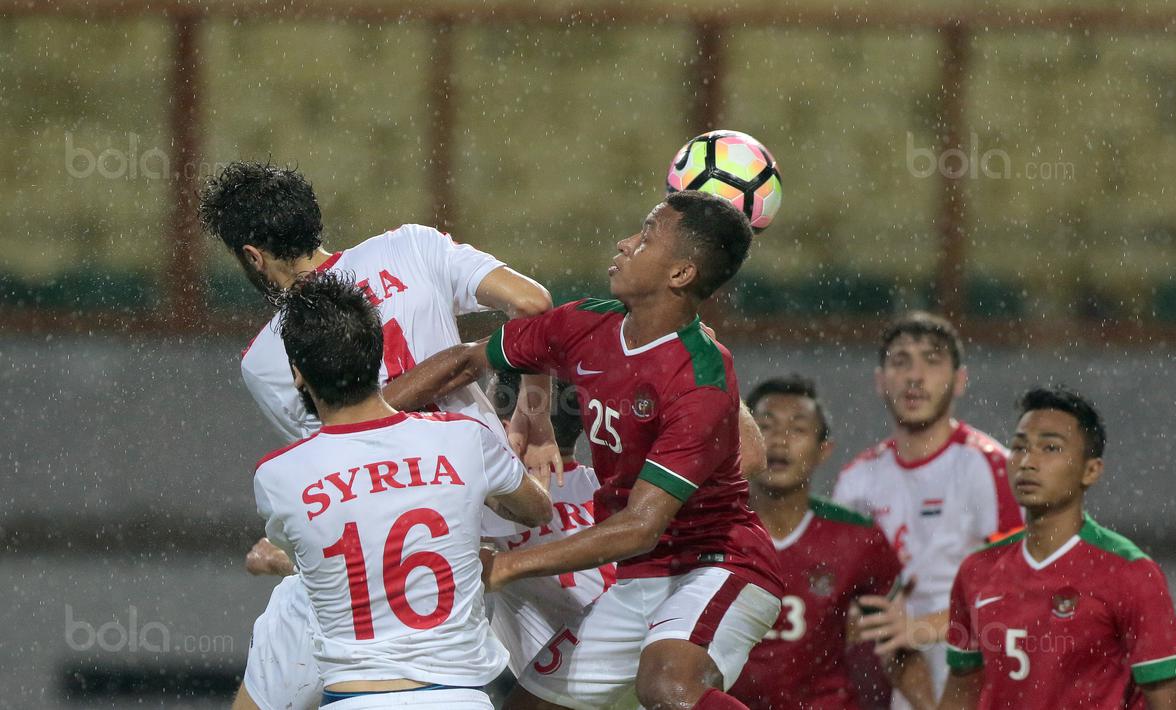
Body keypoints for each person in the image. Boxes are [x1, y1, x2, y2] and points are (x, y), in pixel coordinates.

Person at [384, 190, 784, 710]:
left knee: (667, 689)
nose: (625, 243)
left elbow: (642, 524)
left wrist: (506, 567)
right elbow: (465, 359)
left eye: (645, 236)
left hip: (715, 563)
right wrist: (365, 420)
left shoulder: (700, 380)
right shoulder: (587, 324)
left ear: (681, 275)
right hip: (640, 573)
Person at [198, 161, 556, 710]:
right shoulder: (410, 246)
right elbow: (533, 304)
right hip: (503, 515)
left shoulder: (268, 356)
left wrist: (281, 555)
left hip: (402, 557)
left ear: (252, 255)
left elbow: (345, 454)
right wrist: (534, 411)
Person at [253, 272, 553, 709]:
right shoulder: (464, 439)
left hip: (353, 700)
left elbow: (313, 552)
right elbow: (536, 511)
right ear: (378, 354)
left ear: (298, 374)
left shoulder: (278, 475)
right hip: (458, 701)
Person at [939, 387, 1176, 710]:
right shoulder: (976, 570)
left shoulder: (1131, 573)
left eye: (1050, 448)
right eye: (1020, 447)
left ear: (1091, 470)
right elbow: (960, 695)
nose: (1028, 462)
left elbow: (1171, 705)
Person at [833, 313, 1022, 708]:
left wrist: (920, 628)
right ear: (880, 381)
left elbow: (1018, 587)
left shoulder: (991, 467)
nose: (914, 376)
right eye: (901, 361)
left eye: (932, 360)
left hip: (975, 677)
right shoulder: (855, 480)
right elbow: (838, 591)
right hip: (884, 684)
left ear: (959, 380)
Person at [730, 376, 934, 710]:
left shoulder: (857, 538)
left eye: (797, 429)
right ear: (743, 441)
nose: (780, 440)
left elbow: (897, 645)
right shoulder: (708, 528)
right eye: (765, 426)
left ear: (824, 450)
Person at [483, 372, 618, 679]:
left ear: (508, 427)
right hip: (637, 667)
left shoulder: (486, 506)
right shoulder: (619, 492)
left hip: (557, 690)